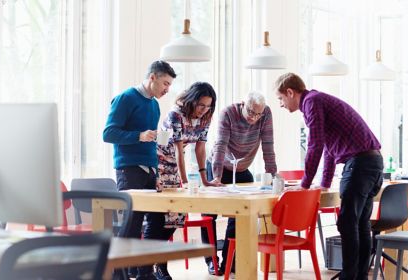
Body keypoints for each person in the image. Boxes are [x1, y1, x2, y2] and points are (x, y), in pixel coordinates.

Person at [273, 73, 382, 280]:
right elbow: (328, 147)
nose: (281, 104)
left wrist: (305, 185)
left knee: (348, 223)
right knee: (359, 223)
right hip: (372, 162)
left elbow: (315, 144)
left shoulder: (311, 102)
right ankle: (359, 276)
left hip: (359, 165)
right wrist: (323, 183)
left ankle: (350, 277)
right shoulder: (318, 100)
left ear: (290, 92)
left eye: (280, 98)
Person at [103, 60, 176, 280]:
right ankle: (118, 274)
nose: (166, 89)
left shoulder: (154, 104)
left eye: (169, 85)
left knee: (155, 222)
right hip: (129, 170)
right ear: (152, 77)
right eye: (165, 83)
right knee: (132, 223)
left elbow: (152, 142)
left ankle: (145, 272)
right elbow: (108, 133)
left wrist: (157, 172)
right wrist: (138, 135)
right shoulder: (126, 98)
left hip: (150, 170)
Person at [204, 91, 277, 275]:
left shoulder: (265, 114)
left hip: (242, 169)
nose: (254, 117)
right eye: (251, 112)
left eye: (257, 114)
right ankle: (212, 261)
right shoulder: (228, 113)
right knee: (209, 215)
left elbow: (268, 146)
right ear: (243, 104)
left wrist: (272, 177)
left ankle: (231, 260)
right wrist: (217, 177)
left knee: (239, 216)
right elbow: (220, 145)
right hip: (219, 165)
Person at [153, 82, 217, 279]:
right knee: (163, 219)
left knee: (175, 219)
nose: (204, 110)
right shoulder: (176, 114)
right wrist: (184, 182)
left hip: (176, 164)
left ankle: (156, 262)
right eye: (201, 105)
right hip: (161, 164)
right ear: (192, 101)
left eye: (208, 106)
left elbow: (200, 148)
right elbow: (179, 150)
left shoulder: (206, 116)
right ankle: (158, 266)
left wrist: (205, 179)